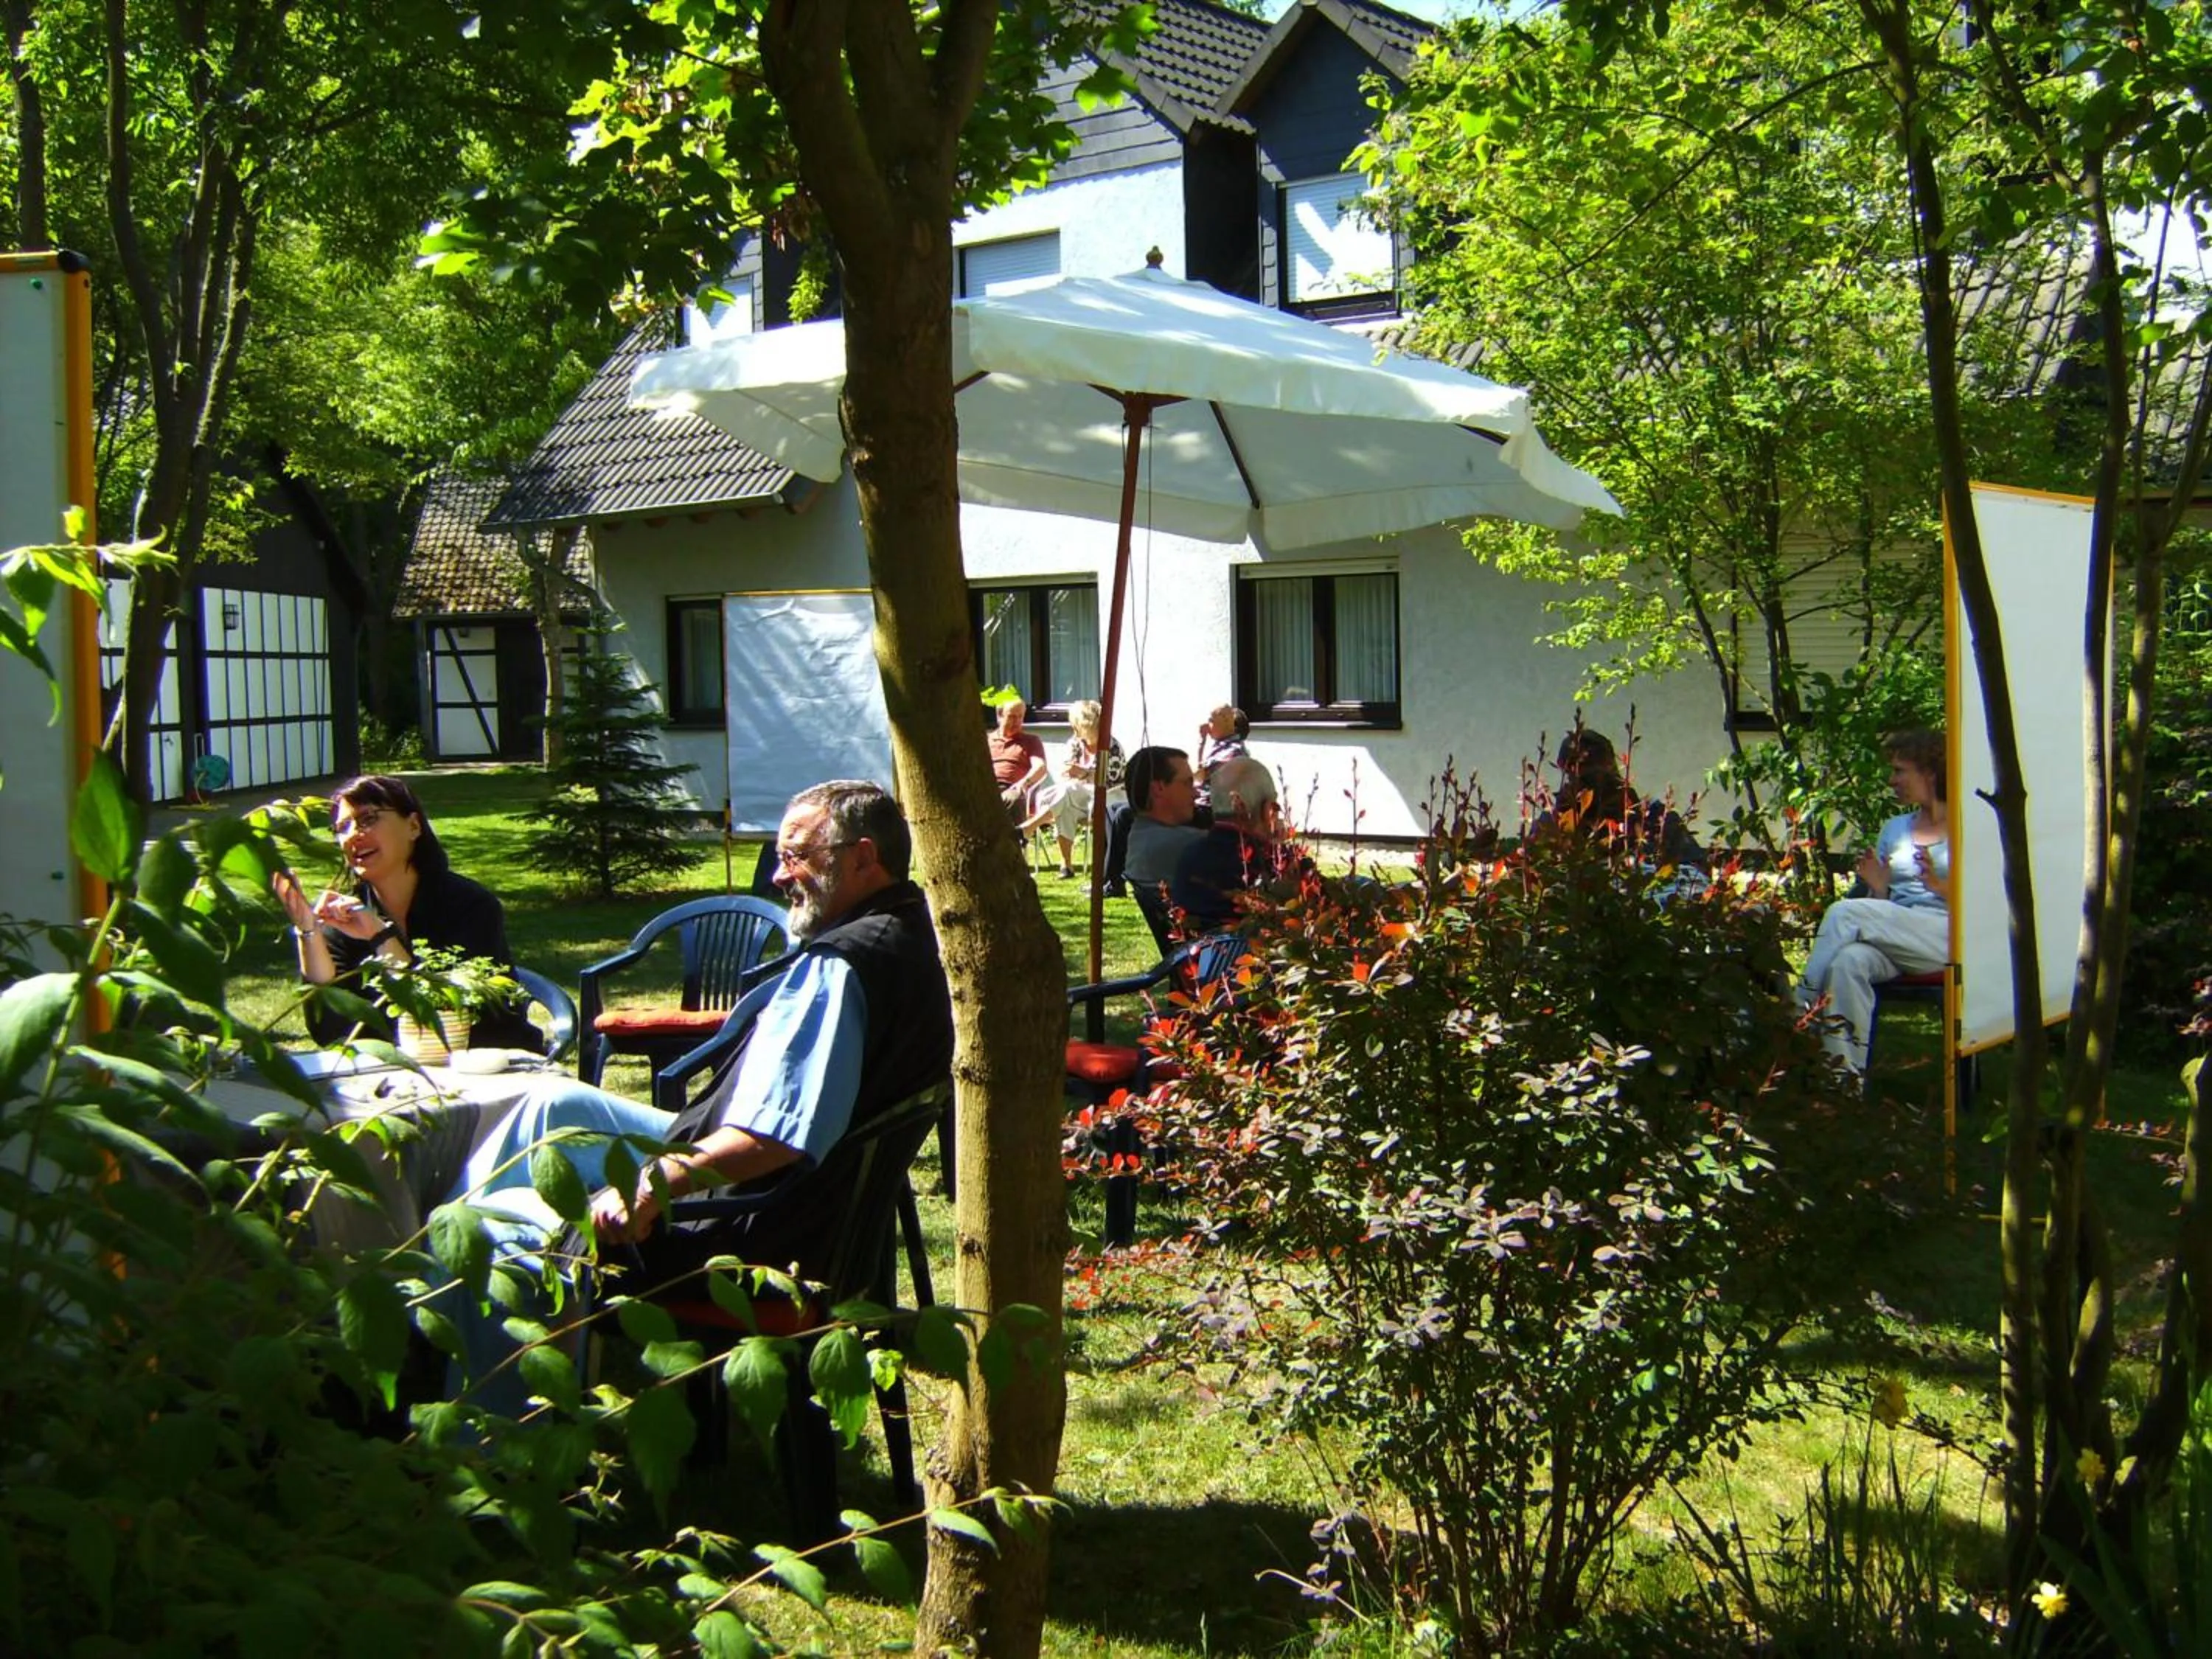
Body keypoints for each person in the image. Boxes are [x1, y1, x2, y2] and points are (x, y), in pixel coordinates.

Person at [439, 779, 953, 1411]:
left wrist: (654, 1182)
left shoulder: (844, 965)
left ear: (863, 857)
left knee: (496, 1228)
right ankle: (471, 1288)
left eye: (795, 856)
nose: (777, 876)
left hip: (751, 1228)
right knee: (548, 1107)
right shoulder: (910, 927)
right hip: (789, 1192)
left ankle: (490, 1435)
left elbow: (774, 1139)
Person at [271, 774, 540, 1054]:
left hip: (494, 1066)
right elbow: (330, 1031)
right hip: (391, 1079)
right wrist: (308, 931)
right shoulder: (343, 918)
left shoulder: (470, 906)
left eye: (368, 819)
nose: (352, 835)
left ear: (413, 826)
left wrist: (379, 936)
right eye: (342, 827)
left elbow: (443, 1018)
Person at [1798, 729, 1951, 1077]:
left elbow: (1990, 901)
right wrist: (1879, 889)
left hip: (1947, 935)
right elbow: (1882, 909)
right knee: (1847, 964)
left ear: (1930, 772)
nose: (1891, 780)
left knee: (1843, 912)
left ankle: (1797, 1011)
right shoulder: (1894, 829)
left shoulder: (1970, 826)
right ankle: (1841, 1086)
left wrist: (1942, 887)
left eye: (1900, 771)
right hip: (1899, 929)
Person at [1534, 727, 1708, 875]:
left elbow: (1696, 878)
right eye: (1575, 776)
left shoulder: (1657, 819)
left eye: (1593, 772)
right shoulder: (1552, 825)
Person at [1169, 755, 1301, 934]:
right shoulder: (1274, 866)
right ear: (1268, 810)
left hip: (1198, 958)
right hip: (1258, 958)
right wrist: (1279, 848)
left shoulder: (1189, 857)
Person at [1031, 698, 1127, 878]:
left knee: (1066, 795)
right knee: (1065, 805)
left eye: (1075, 724)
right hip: (1079, 796)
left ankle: (1031, 826)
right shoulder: (1076, 742)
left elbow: (1110, 780)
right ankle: (1066, 865)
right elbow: (1067, 771)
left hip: (1108, 798)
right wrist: (1078, 774)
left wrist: (1083, 774)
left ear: (1086, 725)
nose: (1072, 728)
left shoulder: (1112, 747)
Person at [1122, 745, 1206, 891]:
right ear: (1158, 789)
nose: (1196, 794)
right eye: (1187, 784)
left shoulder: (1141, 836)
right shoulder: (1185, 843)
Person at [987, 697, 1049, 821]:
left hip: (1013, 788)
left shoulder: (1031, 741)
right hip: (987, 787)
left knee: (1012, 799)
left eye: (1020, 717)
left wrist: (1024, 783)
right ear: (1000, 716)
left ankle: (1015, 840)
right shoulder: (986, 740)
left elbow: (1040, 767)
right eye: (1012, 717)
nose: (1017, 722)